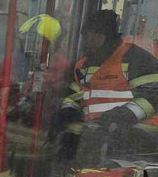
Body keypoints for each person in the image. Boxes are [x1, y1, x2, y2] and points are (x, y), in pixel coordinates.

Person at [57, 9, 158, 161]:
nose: (87, 40)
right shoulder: (82, 64)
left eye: (92, 34)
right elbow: (73, 97)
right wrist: (69, 122)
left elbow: (154, 96)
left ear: (105, 35)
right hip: (96, 140)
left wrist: (123, 116)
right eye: (85, 35)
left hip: (135, 144)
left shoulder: (136, 58)